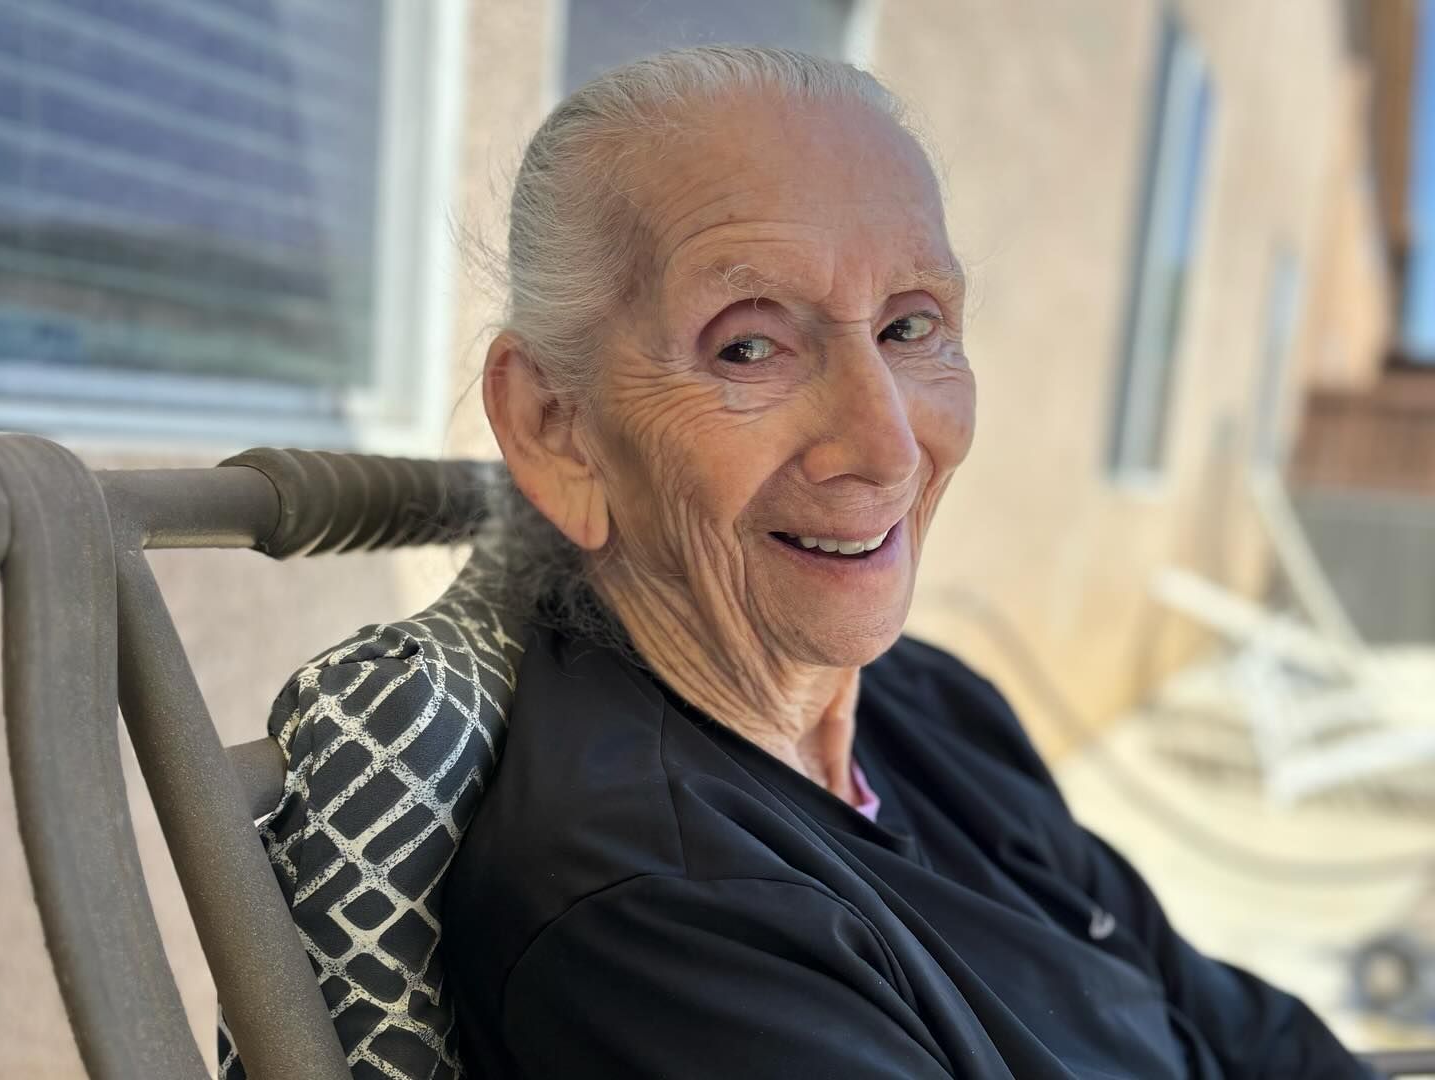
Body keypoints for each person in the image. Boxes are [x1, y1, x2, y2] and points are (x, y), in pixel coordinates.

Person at [441, 45, 1374, 1078]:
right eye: (748, 346)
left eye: (909, 326)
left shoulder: (927, 705)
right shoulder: (660, 910)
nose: (886, 447)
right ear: (555, 426)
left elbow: (1225, 1020)